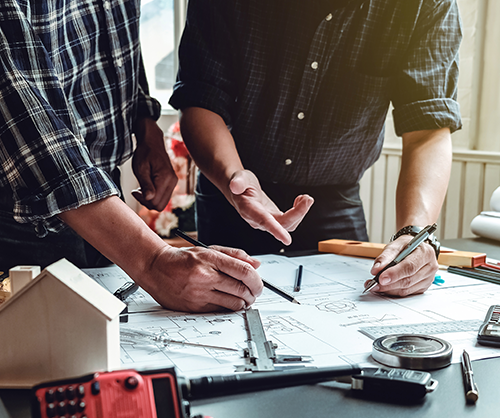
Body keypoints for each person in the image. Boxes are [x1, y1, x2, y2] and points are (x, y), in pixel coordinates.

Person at [169, 0, 462, 297]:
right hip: (232, 192)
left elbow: (427, 127)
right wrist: (233, 176)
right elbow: (200, 99)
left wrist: (414, 235)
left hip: (336, 202)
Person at [0, 1, 263, 313]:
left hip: (102, 190)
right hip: (20, 208)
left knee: (110, 343)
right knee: (45, 351)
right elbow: (24, 120)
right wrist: (153, 261)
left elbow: (116, 39)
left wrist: (144, 122)